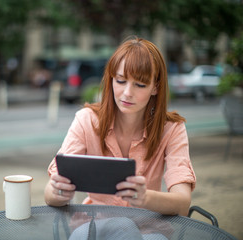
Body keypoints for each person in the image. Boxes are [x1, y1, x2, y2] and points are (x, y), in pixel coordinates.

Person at [44, 37, 196, 216]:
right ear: (111, 80)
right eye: (121, 81)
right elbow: (49, 193)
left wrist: (145, 198)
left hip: (146, 229)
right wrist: (58, 192)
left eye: (140, 84)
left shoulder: (171, 129)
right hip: (95, 225)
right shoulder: (87, 120)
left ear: (155, 87)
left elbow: (182, 203)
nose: (127, 93)